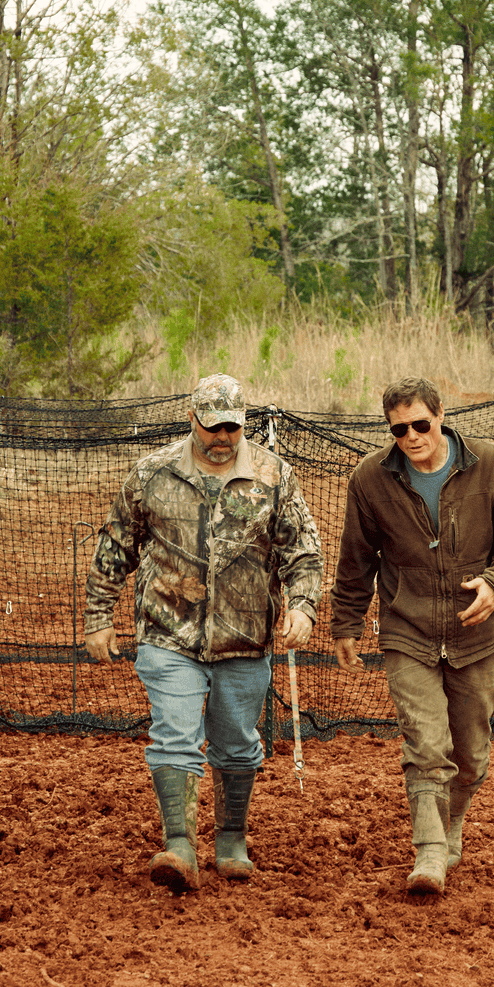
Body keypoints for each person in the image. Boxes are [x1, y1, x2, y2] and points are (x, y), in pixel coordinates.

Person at [86, 373, 323, 892]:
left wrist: (302, 606)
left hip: (244, 637)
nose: (222, 437)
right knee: (174, 733)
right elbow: (115, 545)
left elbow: (302, 551)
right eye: (212, 426)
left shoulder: (273, 475)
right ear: (191, 419)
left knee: (237, 743)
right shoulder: (152, 474)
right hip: (168, 632)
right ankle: (180, 844)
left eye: (232, 428)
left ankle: (231, 839)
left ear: (244, 424)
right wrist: (98, 618)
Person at [331, 375, 494, 894]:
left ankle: (451, 827)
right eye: (399, 430)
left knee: (470, 753)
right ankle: (429, 854)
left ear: (441, 415)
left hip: (476, 634)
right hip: (408, 630)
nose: (412, 437)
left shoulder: (492, 466)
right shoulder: (370, 479)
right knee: (427, 744)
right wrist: (347, 623)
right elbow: (356, 558)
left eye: (421, 424)